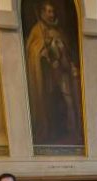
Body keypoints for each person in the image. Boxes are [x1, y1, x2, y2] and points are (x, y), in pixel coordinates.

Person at [24, 1, 82, 144]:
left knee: (68, 100)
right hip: (45, 76)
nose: (51, 14)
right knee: (49, 103)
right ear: (43, 13)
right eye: (49, 11)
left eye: (52, 11)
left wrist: (64, 55)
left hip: (62, 73)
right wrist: (42, 51)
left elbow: (68, 52)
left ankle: (72, 130)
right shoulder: (37, 30)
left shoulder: (58, 31)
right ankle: (49, 132)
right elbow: (32, 51)